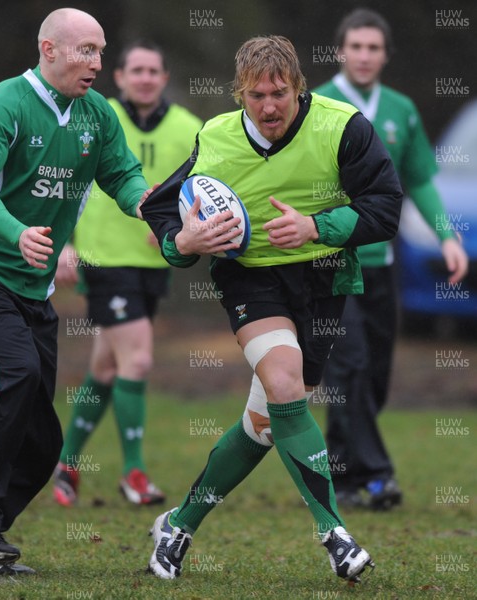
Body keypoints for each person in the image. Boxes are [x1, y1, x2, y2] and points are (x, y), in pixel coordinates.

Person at [140, 35, 403, 583]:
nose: (268, 106)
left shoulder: (342, 126)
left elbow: (385, 206)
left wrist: (315, 226)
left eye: (279, 93)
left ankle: (179, 524)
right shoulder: (215, 137)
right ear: (239, 93)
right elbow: (162, 206)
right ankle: (336, 534)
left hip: (326, 280)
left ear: (297, 87)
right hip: (250, 279)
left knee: (266, 421)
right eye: (256, 95)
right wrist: (181, 244)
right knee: (285, 387)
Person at [0, 8, 150, 575]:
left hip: (32, 286)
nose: (97, 64)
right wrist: (17, 231)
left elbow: (122, 176)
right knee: (16, 375)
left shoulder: (96, 114)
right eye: (85, 51)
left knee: (43, 438)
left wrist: (155, 212)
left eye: (101, 52)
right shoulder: (2, 105)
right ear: (48, 49)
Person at [314, 8, 468, 510]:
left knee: (373, 374)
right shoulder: (316, 104)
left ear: (385, 55)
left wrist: (446, 236)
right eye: (355, 46)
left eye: (373, 48)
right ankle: (377, 477)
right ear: (341, 50)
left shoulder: (400, 109)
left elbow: (420, 177)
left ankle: (340, 473)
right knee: (350, 365)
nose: (364, 55)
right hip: (332, 264)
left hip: (383, 265)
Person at [53, 41, 202, 507]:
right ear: (118, 76)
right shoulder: (93, 115)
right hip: (104, 256)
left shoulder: (189, 128)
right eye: (135, 70)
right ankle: (133, 472)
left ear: (163, 77)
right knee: (136, 361)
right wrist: (66, 243)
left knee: (107, 367)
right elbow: (64, 180)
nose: (143, 78)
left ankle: (65, 464)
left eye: (152, 71)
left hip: (155, 263)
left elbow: (204, 187)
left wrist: (174, 227)